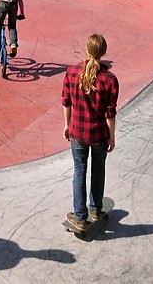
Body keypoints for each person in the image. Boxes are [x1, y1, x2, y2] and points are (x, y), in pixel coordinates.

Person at [62, 33, 119, 232]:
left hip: (78, 130)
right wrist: (112, 136)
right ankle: (95, 208)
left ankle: (79, 215)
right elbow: (109, 113)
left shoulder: (71, 72)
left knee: (79, 170)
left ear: (86, 50)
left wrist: (67, 124)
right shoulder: (110, 79)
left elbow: (66, 101)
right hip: (99, 134)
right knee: (98, 169)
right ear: (103, 53)